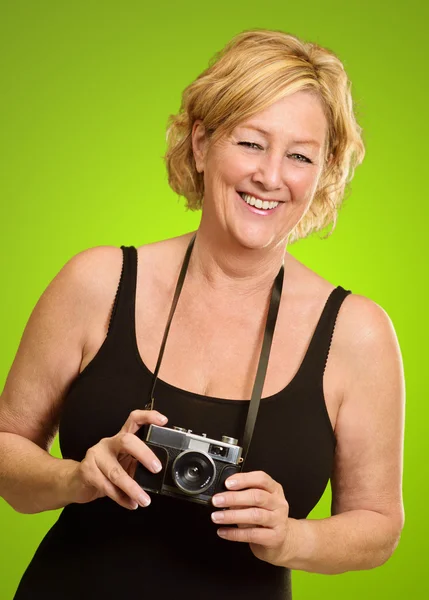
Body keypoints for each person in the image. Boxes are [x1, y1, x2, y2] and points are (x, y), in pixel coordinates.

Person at [0, 28, 404, 600]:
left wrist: (290, 539)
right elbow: (6, 448)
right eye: (250, 143)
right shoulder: (97, 282)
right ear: (200, 144)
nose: (270, 175)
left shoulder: (357, 333)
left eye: (299, 156)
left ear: (324, 172)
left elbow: (380, 525)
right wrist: (76, 476)